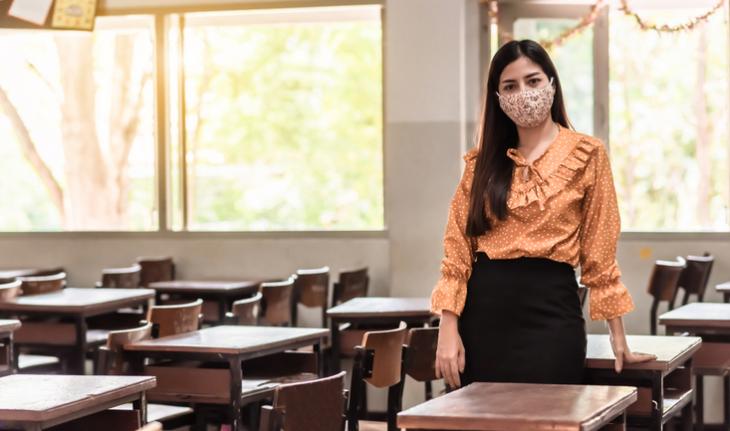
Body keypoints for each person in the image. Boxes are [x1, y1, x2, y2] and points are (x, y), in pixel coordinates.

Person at [431, 39, 656, 389]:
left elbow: (600, 253)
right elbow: (457, 249)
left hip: (551, 315)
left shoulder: (588, 154)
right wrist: (448, 328)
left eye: (533, 81)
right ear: (498, 98)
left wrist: (619, 338)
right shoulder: (481, 163)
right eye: (510, 85)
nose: (524, 93)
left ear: (552, 82)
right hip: (483, 318)